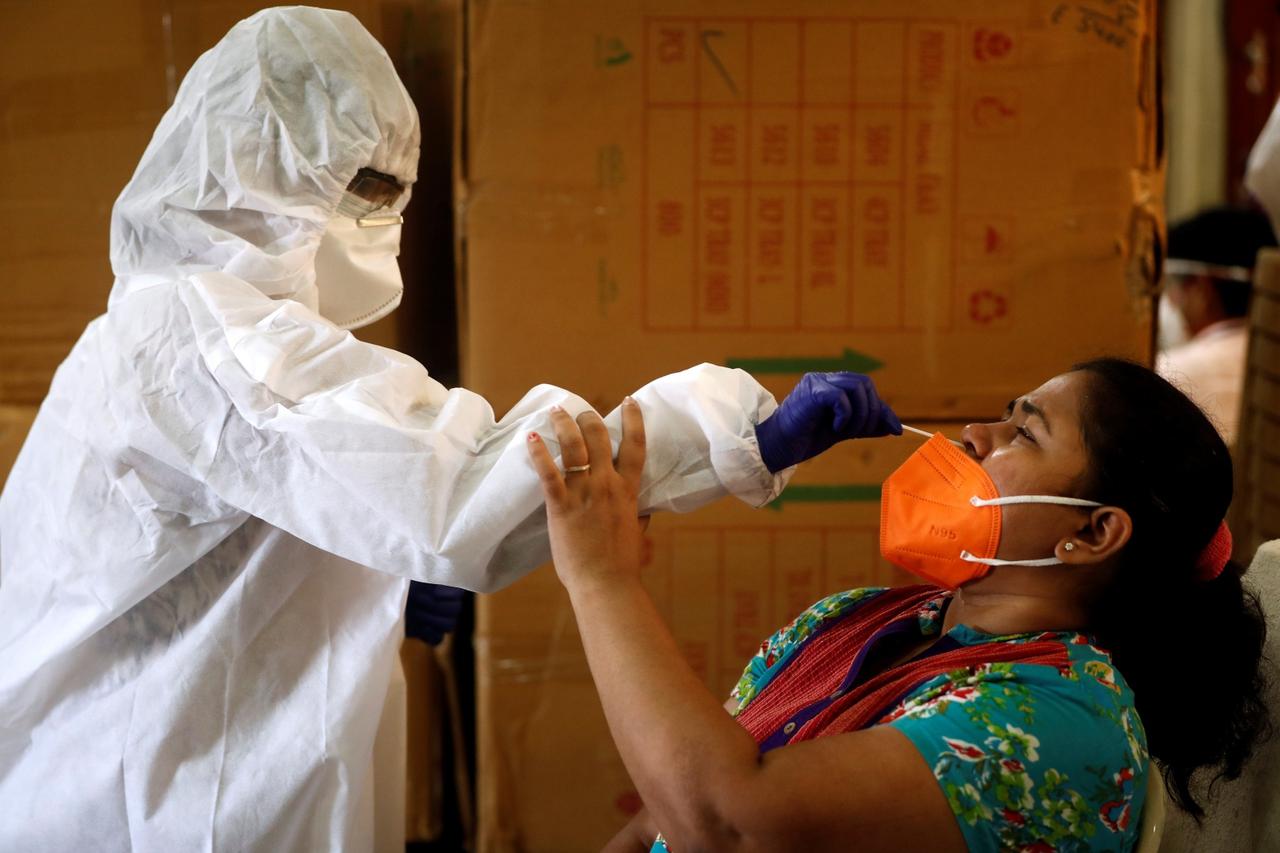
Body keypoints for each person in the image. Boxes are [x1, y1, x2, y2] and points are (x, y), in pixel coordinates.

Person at [0, 8, 898, 851]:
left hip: (159, 760)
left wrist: (368, 587)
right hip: (144, 799)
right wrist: (733, 429)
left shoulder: (169, 329)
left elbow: (250, 527)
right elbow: (461, 485)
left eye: (393, 193)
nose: (380, 222)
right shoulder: (205, 341)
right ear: (253, 166)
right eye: (361, 190)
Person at [529, 357, 1270, 852]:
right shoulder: (865, 618)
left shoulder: (1063, 725)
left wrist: (602, 578)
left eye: (1024, 431)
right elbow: (666, 805)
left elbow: (728, 824)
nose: (973, 435)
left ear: (1093, 530)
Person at [1156, 207, 1275, 445]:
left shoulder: (1168, 377)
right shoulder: (1271, 364)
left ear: (1203, 290)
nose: (1171, 300)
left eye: (1177, 286)